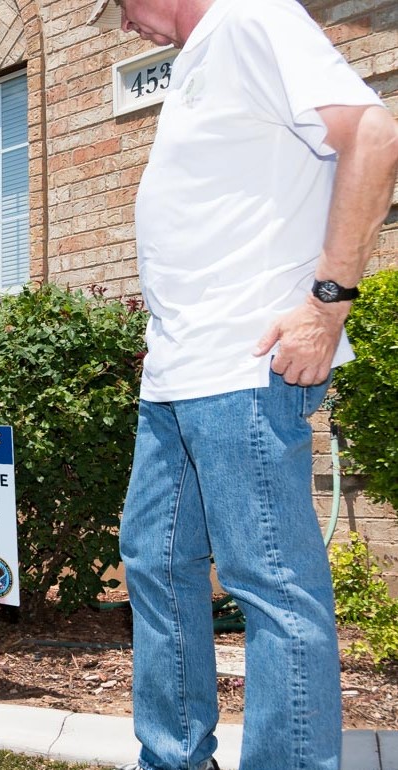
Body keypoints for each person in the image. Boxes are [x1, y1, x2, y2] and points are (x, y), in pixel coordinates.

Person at [86, 1, 398, 769]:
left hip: (242, 370)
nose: (121, 24)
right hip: (176, 376)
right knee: (154, 564)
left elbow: (373, 135)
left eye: (118, 4)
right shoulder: (199, 58)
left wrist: (327, 304)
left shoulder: (249, 17)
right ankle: (171, 759)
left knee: (270, 582)